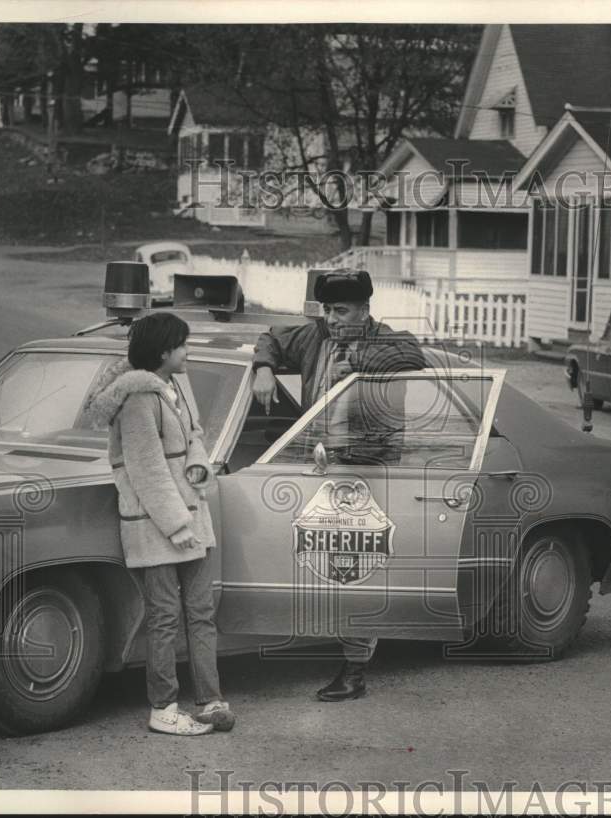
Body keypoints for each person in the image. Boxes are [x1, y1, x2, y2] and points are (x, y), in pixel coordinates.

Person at [252, 268, 426, 702]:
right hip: (321, 468)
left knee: (354, 571)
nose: (332, 318)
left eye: (342, 310)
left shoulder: (385, 337)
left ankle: (355, 671)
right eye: (328, 309)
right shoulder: (314, 337)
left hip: (368, 470)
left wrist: (358, 357)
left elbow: (413, 355)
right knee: (325, 564)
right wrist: (263, 368)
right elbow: (270, 337)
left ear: (366, 310)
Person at [85, 313, 235, 736]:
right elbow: (146, 469)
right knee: (165, 616)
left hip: (191, 516)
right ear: (163, 352)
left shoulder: (175, 387)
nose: (189, 352)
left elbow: (195, 436)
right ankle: (163, 708)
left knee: (202, 612)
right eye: (183, 345)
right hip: (158, 525)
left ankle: (210, 701)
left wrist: (199, 466)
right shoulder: (136, 399)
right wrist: (176, 525)